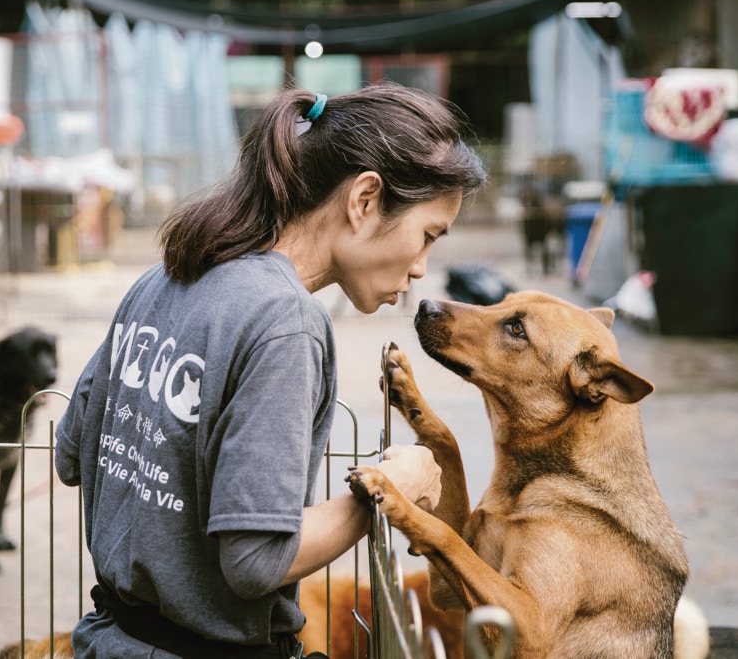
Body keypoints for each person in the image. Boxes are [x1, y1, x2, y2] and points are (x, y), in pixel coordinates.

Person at [54, 82, 487, 658]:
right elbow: (256, 561)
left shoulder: (162, 278)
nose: (421, 269)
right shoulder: (286, 322)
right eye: (428, 235)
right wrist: (386, 495)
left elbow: (70, 452)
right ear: (364, 200)